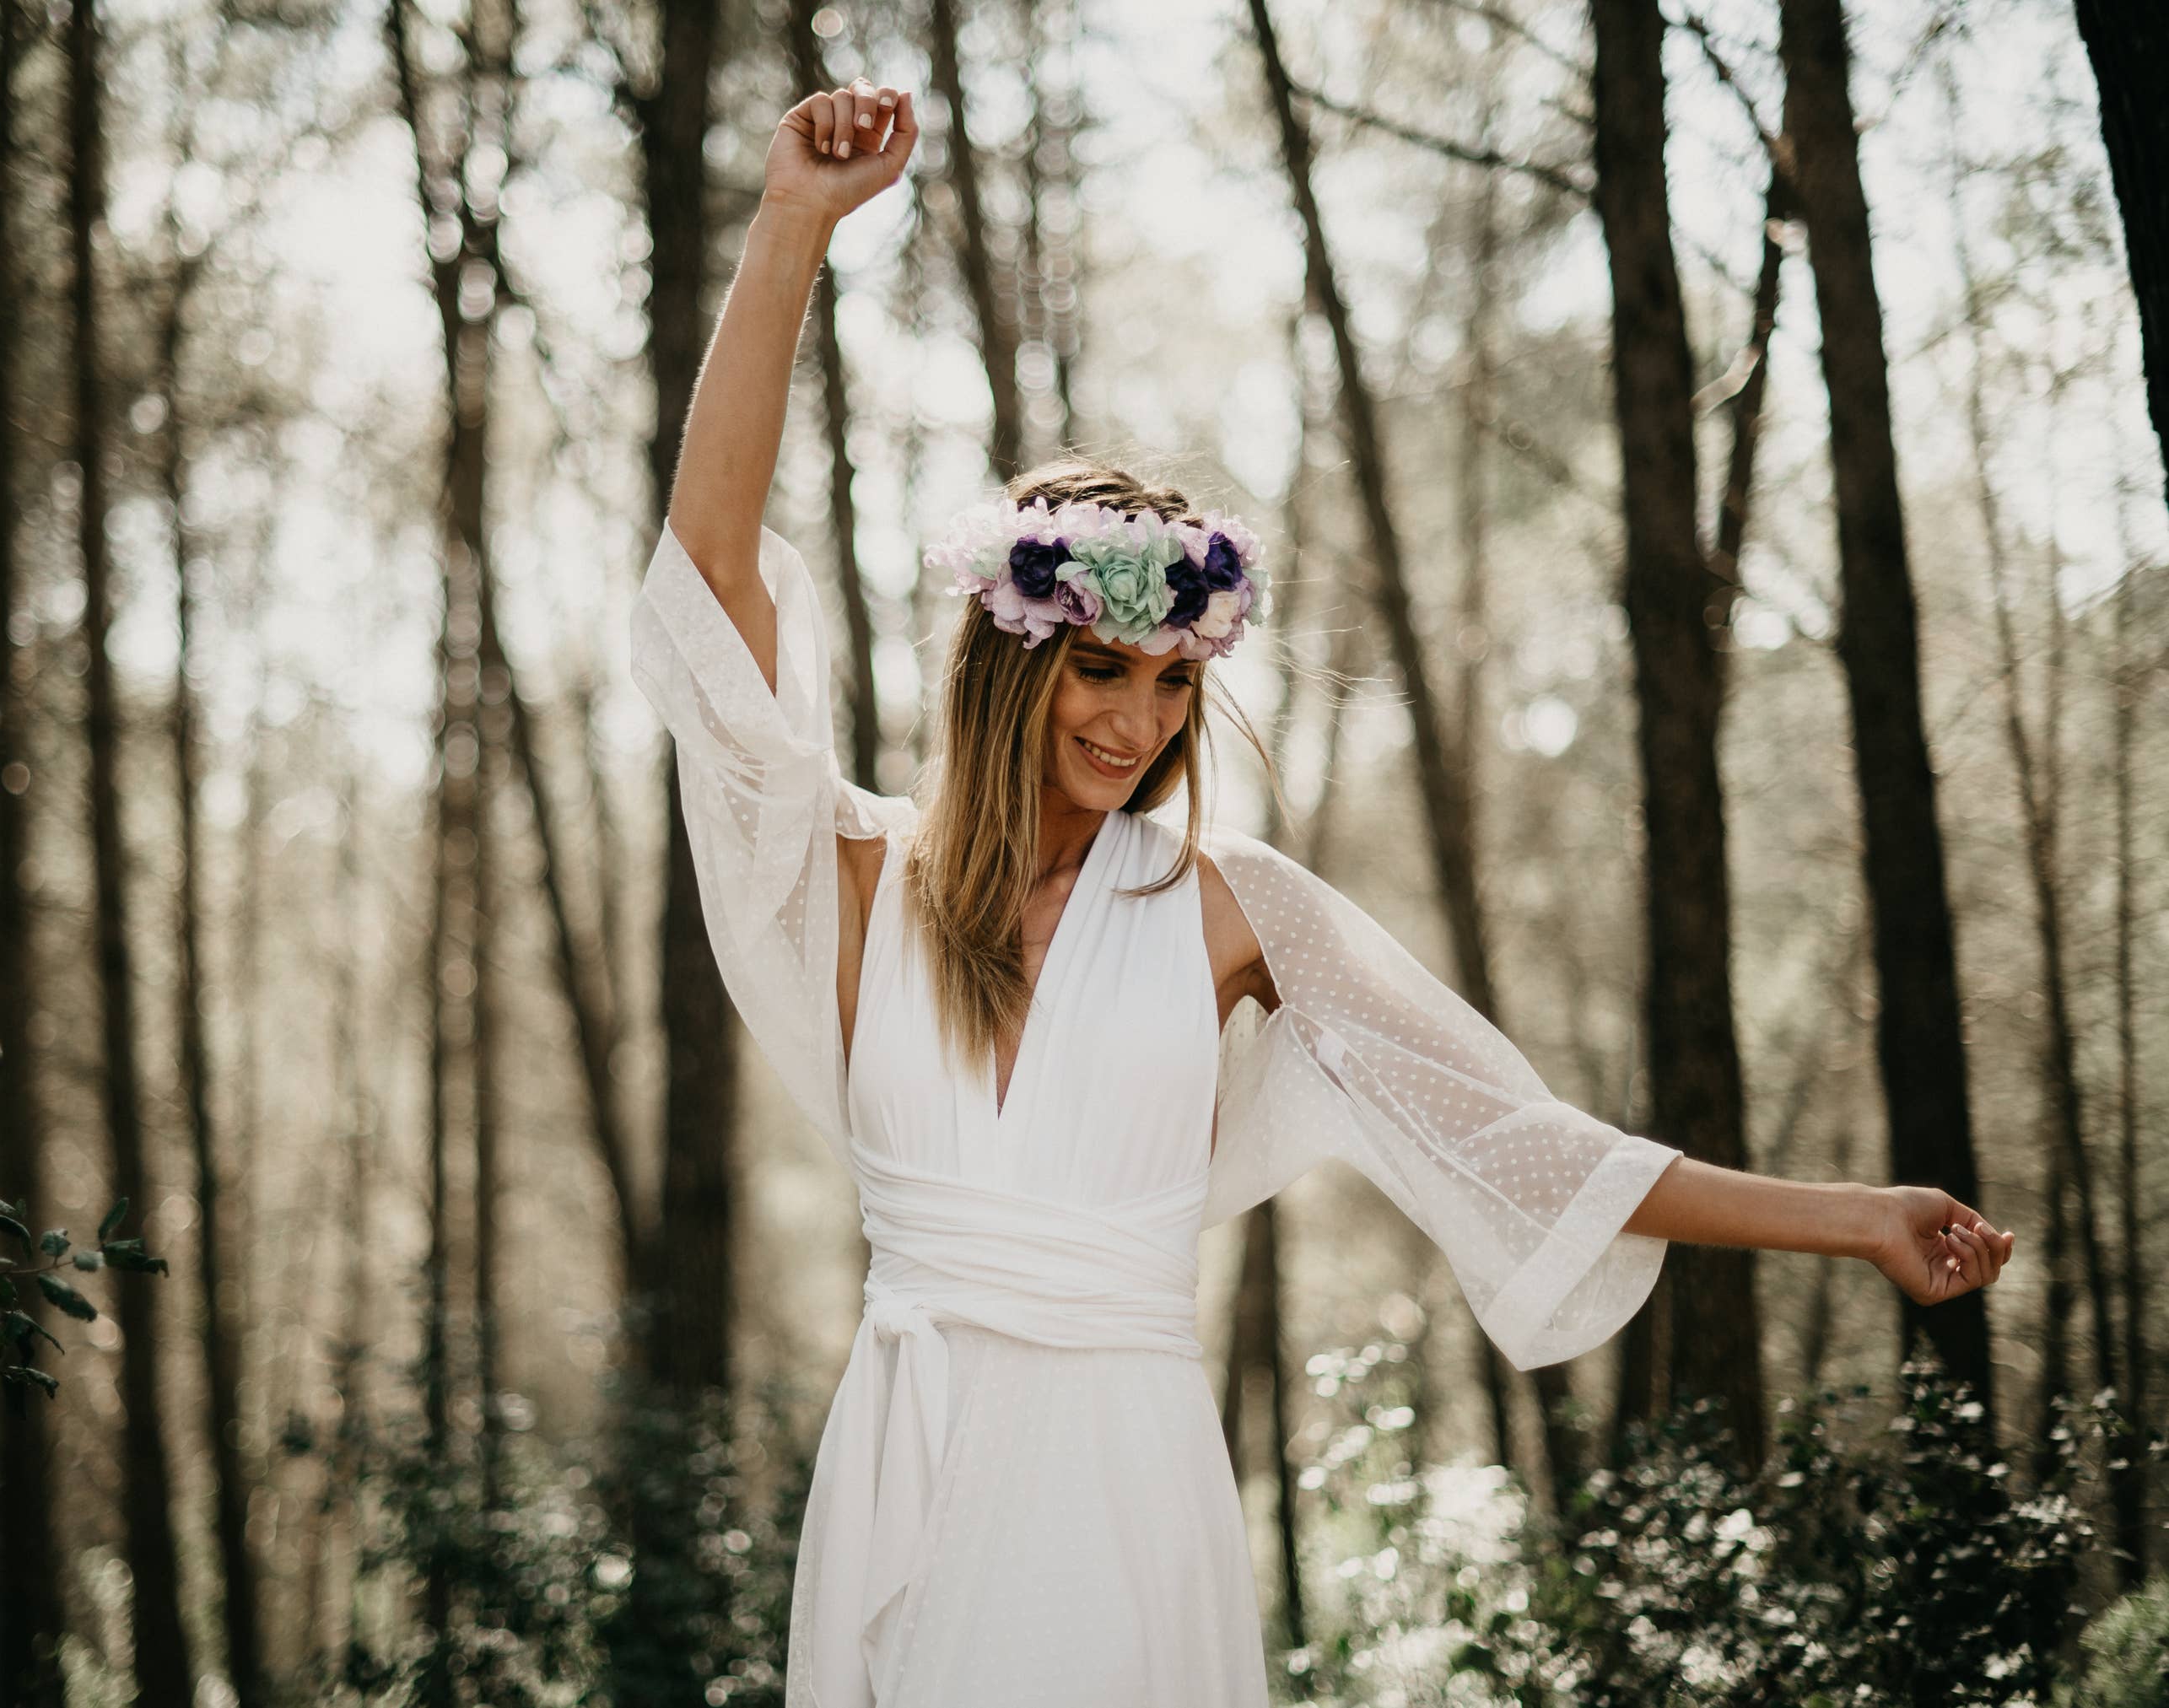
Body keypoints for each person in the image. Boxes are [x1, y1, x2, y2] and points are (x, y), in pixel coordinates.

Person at [629, 76, 2016, 1708]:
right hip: (909, 1481)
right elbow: (711, 580)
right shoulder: (858, 878)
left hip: (1124, 1489)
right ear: (1010, 661)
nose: (1137, 722)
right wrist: (794, 221)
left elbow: (1515, 1137)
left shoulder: (1225, 907)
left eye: (1173, 682)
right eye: (1101, 668)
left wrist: (1852, 1218)